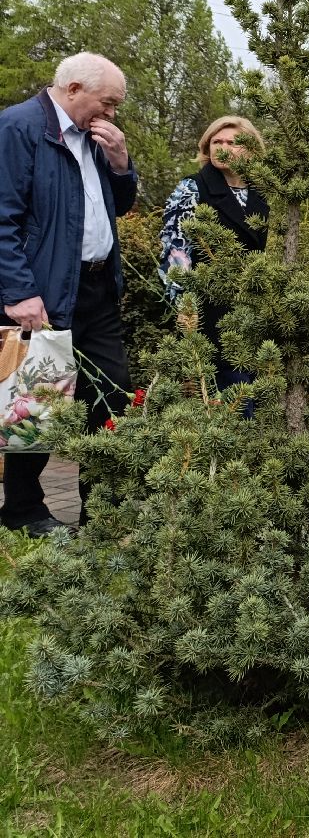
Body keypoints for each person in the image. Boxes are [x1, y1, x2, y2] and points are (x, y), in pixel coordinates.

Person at [0, 53, 136, 536]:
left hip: (97, 288)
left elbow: (119, 206)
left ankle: (103, 513)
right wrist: (18, 290)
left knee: (113, 393)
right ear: (75, 89)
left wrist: (121, 163)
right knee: (39, 401)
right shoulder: (19, 128)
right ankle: (23, 510)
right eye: (108, 103)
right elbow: (3, 217)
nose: (112, 114)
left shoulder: (95, 137)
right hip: (47, 293)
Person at [158, 116, 270, 388]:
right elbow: (175, 249)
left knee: (254, 383)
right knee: (229, 387)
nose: (222, 147)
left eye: (232, 142)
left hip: (254, 304)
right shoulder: (192, 188)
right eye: (216, 142)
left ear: (250, 148)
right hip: (208, 305)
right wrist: (185, 305)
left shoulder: (264, 192)